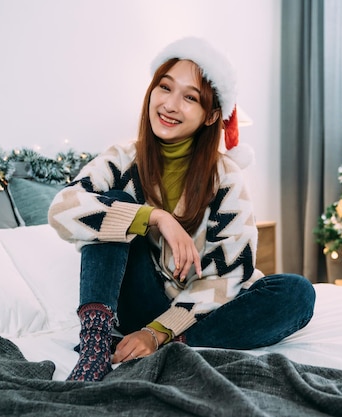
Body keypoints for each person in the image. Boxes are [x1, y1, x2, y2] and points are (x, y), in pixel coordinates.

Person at [48, 37, 316, 382]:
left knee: (296, 292)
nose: (171, 105)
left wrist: (160, 332)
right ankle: (95, 345)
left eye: (190, 97)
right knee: (116, 205)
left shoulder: (226, 178)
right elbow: (62, 209)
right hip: (138, 302)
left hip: (196, 313)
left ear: (211, 116)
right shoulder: (121, 158)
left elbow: (228, 275)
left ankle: (176, 342)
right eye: (165, 87)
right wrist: (155, 218)